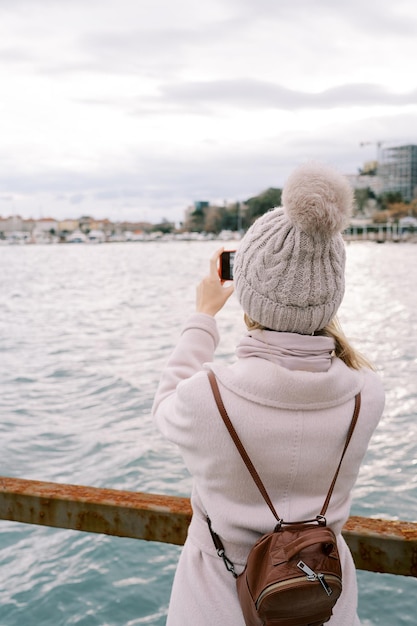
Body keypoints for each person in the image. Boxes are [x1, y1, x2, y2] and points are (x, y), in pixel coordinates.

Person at [152, 162, 385, 626]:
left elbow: (164, 407)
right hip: (324, 604)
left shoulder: (209, 397)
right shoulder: (367, 394)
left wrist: (202, 318)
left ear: (249, 292)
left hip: (215, 606)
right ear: (331, 292)